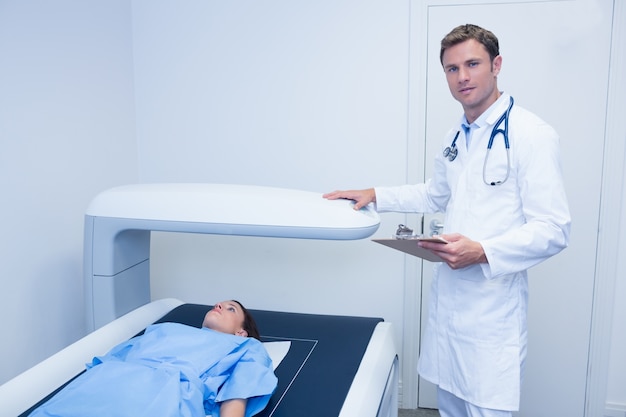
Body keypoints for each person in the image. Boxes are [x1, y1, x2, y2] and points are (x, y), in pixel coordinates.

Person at [324, 24, 570, 417]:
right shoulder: (457, 134)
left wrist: (483, 251)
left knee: (486, 408)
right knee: (450, 408)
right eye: (452, 69)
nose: (463, 77)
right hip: (451, 306)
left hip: (492, 314)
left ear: (497, 64)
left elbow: (555, 229)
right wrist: (377, 195)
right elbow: (434, 194)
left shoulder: (532, 134)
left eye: (472, 64)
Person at [29, 300, 278, 417]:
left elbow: (239, 391)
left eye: (231, 308)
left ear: (241, 331)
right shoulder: (164, 328)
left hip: (162, 394)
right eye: (219, 303)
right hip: (104, 383)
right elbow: (111, 359)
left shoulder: (246, 346)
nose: (219, 305)